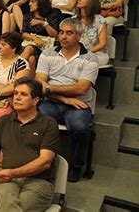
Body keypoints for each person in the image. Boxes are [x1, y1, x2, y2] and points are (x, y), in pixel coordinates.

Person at [0, 77, 60, 211]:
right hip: (7, 180)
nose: (17, 98)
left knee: (9, 208)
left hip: (38, 182)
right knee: (9, 204)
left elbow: (45, 162)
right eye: (15, 93)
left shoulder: (49, 124)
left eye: (23, 94)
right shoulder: (4, 121)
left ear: (36, 100)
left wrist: (13, 173)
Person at [36, 18, 99, 182]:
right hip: (51, 102)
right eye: (61, 32)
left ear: (79, 36)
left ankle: (76, 166)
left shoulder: (90, 58)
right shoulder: (48, 53)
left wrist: (49, 89)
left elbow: (81, 89)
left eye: (69, 33)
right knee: (37, 121)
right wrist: (65, 98)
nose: (63, 36)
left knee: (80, 127)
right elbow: (39, 84)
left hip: (78, 103)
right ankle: (40, 161)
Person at [20, 0, 62, 71]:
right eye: (30, 1)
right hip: (31, 43)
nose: (29, 4)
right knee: (31, 58)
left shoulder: (52, 15)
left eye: (33, 2)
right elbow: (24, 33)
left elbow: (54, 35)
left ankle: (11, 71)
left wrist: (44, 23)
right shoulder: (28, 16)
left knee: (30, 53)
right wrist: (34, 38)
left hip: (46, 46)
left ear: (41, 3)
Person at [74, 0, 109, 66]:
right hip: (76, 53)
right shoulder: (73, 19)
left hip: (97, 54)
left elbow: (103, 43)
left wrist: (85, 52)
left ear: (91, 2)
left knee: (80, 61)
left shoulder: (100, 20)